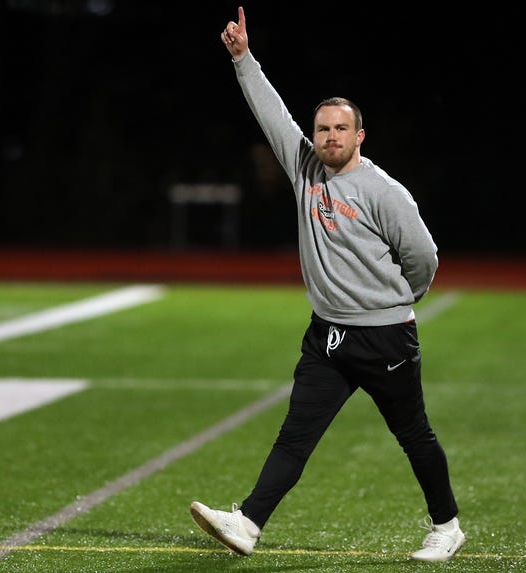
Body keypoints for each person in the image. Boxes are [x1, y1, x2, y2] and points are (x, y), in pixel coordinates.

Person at [190, 6, 466, 563]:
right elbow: (272, 113)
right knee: (296, 434)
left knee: (413, 435)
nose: (330, 136)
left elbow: (424, 258)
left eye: (341, 128)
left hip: (384, 338)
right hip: (327, 338)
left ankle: (447, 526)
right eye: (323, 129)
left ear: (359, 135)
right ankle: (247, 522)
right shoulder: (304, 167)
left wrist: (398, 303)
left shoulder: (385, 191)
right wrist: (244, 59)